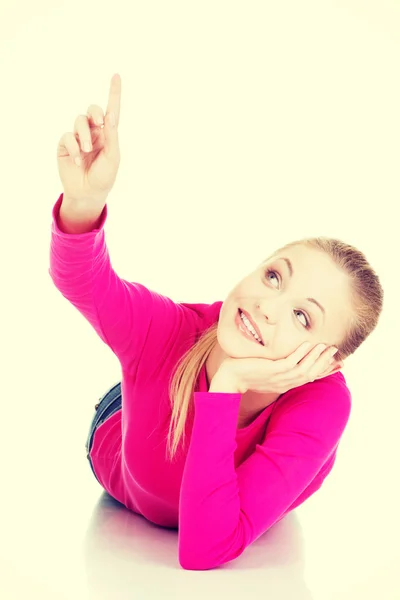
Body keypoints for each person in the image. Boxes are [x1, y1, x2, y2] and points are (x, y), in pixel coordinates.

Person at [49, 73, 384, 571]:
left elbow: (206, 547)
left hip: (207, 392)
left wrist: (226, 387)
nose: (268, 305)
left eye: (301, 316)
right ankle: (140, 382)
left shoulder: (323, 401)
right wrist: (83, 202)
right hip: (127, 419)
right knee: (150, 364)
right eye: (274, 276)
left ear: (327, 362)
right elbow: (86, 283)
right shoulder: (167, 330)